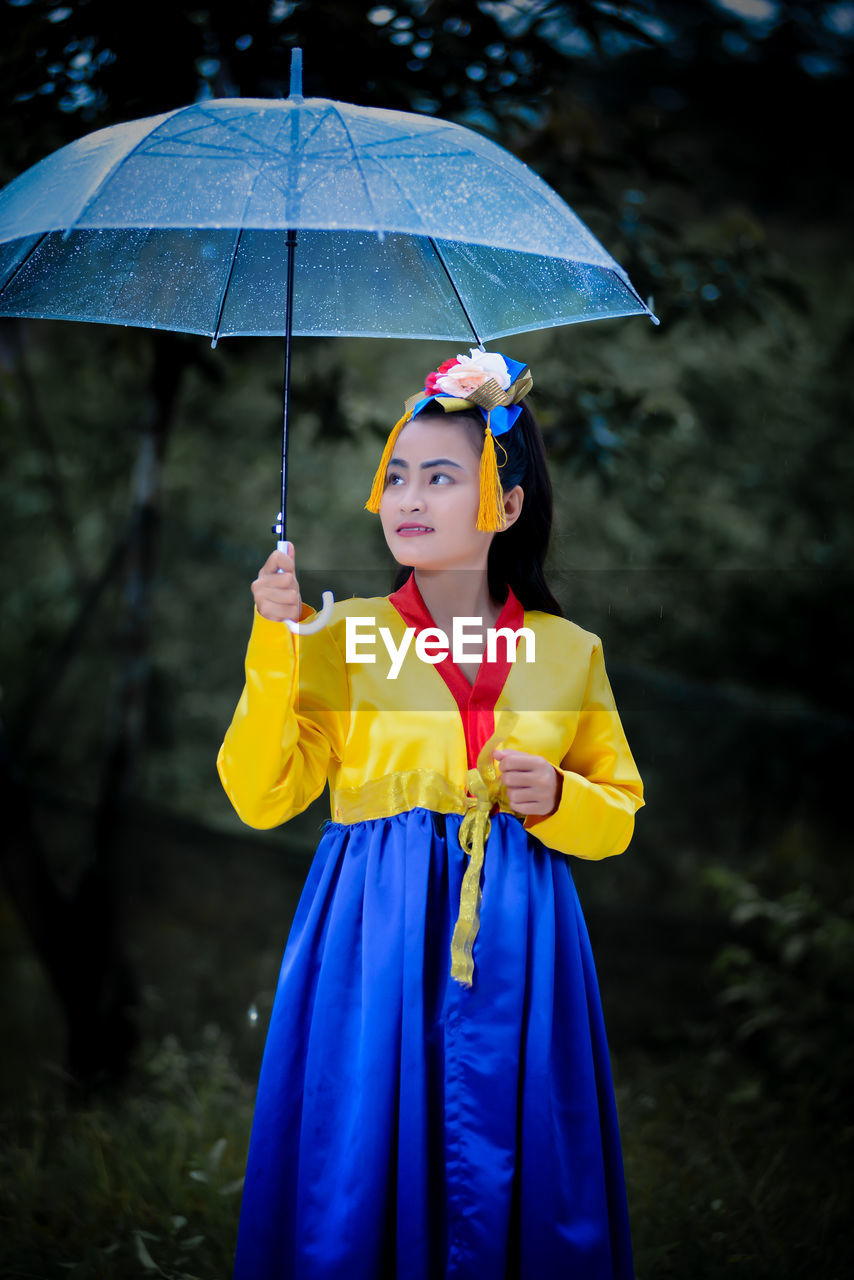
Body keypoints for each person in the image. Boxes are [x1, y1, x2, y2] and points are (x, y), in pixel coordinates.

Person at [218, 349, 644, 1280]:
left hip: (525, 947)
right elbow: (261, 793)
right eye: (399, 474)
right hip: (374, 941)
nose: (409, 497)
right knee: (367, 1156)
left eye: (442, 477)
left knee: (523, 1161)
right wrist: (272, 641)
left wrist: (562, 798)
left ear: (508, 504)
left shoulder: (571, 653)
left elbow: (619, 814)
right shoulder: (340, 639)